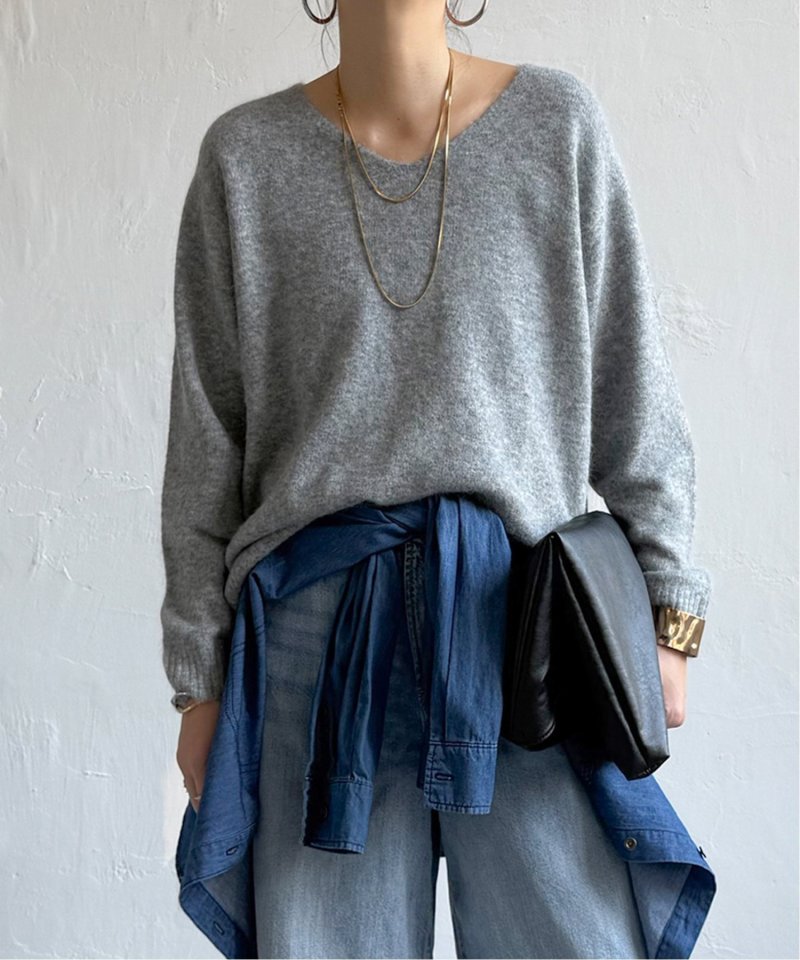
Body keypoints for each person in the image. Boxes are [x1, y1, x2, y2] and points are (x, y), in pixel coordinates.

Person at [159, 2, 717, 957]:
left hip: (526, 638)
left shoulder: (557, 126)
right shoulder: (244, 160)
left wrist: (671, 618)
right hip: (314, 642)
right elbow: (205, 448)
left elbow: (635, 395)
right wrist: (199, 682)